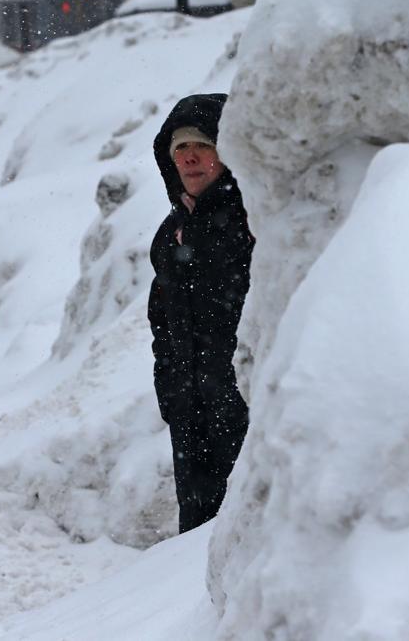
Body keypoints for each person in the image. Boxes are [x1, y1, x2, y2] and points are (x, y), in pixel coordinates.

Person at [148, 92, 254, 533]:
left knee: (244, 529)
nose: (190, 158)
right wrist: (171, 392)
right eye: (180, 149)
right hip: (191, 418)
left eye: (203, 146)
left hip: (242, 412)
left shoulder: (252, 222)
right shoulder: (169, 235)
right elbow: (162, 324)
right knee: (195, 539)